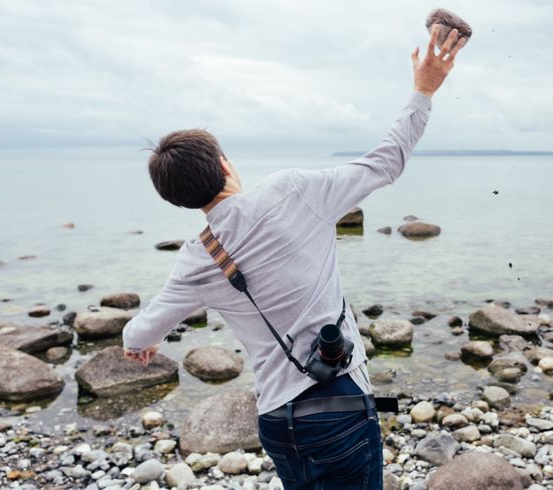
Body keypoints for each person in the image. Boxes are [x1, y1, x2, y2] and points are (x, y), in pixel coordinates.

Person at [122, 25, 466, 490]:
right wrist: (424, 90)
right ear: (226, 164)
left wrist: (144, 342)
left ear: (177, 200)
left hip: (278, 423)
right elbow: (386, 162)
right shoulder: (292, 191)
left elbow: (138, 331)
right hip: (340, 410)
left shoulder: (196, 258)